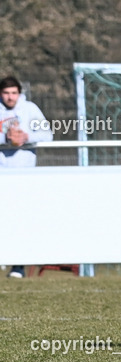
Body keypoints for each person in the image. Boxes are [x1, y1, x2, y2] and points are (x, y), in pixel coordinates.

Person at [0, 76, 54, 279]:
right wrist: (5, 138)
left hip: (24, 174)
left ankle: (18, 266)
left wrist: (26, 137)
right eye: (6, 93)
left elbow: (48, 134)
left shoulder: (29, 109)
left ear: (19, 93)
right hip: (1, 173)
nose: (10, 97)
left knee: (20, 219)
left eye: (13, 93)